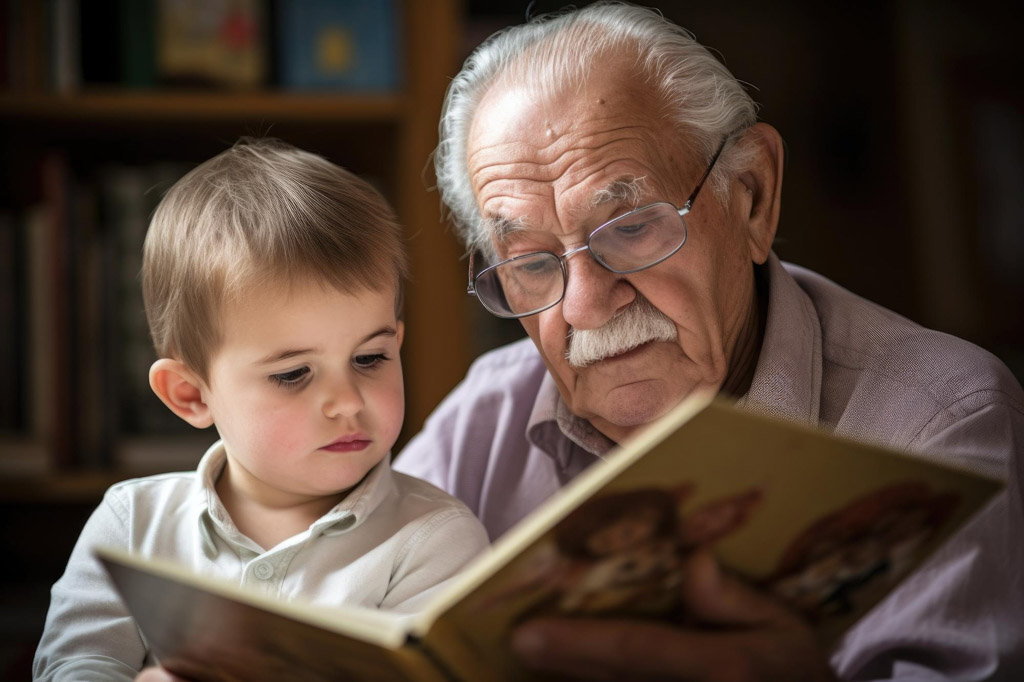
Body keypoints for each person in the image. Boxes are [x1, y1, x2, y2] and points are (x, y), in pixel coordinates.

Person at [394, 2, 1024, 680]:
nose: (584, 306)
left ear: (752, 195)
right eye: (532, 264)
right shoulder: (479, 427)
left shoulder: (943, 424)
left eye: (630, 227)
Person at [33, 138, 489, 682]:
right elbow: (75, 663)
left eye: (370, 358)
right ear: (191, 394)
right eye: (292, 374)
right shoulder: (132, 526)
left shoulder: (433, 539)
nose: (347, 401)